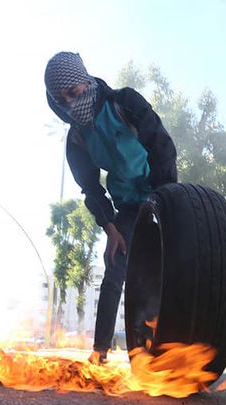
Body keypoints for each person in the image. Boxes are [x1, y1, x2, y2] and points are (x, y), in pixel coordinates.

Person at [44, 52, 177, 364]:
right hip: (127, 206)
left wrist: (165, 201)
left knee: (159, 271)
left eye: (73, 92)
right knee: (115, 267)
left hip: (159, 193)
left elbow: (162, 146)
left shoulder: (124, 103)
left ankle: (161, 349)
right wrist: (111, 228)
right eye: (61, 100)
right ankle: (100, 350)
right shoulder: (77, 140)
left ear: (85, 81)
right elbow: (92, 190)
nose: (70, 104)